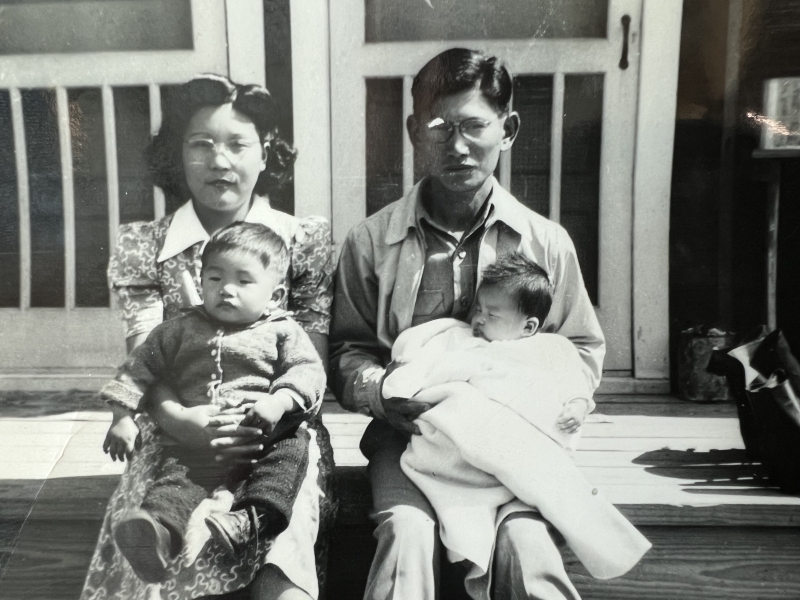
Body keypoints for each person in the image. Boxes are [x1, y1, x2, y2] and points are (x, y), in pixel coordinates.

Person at [329, 48, 605, 600]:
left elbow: (578, 348)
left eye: (474, 126)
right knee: (406, 537)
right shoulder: (370, 242)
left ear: (508, 129)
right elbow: (346, 351)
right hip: (410, 441)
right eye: (438, 127)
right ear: (413, 131)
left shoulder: (545, 243)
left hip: (514, 445)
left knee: (527, 550)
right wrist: (382, 392)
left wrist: (544, 400)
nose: (456, 146)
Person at [81, 74, 335, 600]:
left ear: (266, 154)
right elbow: (147, 355)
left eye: (238, 145)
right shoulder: (145, 243)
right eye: (201, 145)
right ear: (176, 156)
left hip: (279, 433)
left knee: (283, 535)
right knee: (155, 523)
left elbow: (311, 359)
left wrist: (271, 415)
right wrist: (181, 421)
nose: (220, 161)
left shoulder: (301, 240)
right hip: (176, 429)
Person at [381, 254, 651, 599]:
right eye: (478, 308)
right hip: (461, 452)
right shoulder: (463, 342)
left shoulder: (549, 348)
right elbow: (426, 374)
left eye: (492, 314)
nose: (479, 319)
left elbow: (574, 384)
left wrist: (577, 406)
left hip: (523, 448)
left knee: (526, 532)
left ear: (529, 327)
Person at [100, 222, 326, 583]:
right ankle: (156, 534)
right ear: (201, 280)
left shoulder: (283, 330)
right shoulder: (180, 329)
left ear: (276, 293)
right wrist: (122, 416)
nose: (226, 290)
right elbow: (139, 366)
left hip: (263, 435)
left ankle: (250, 520)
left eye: (243, 281)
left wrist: (279, 402)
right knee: (176, 479)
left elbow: (308, 372)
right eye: (215, 278)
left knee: (289, 455)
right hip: (196, 439)